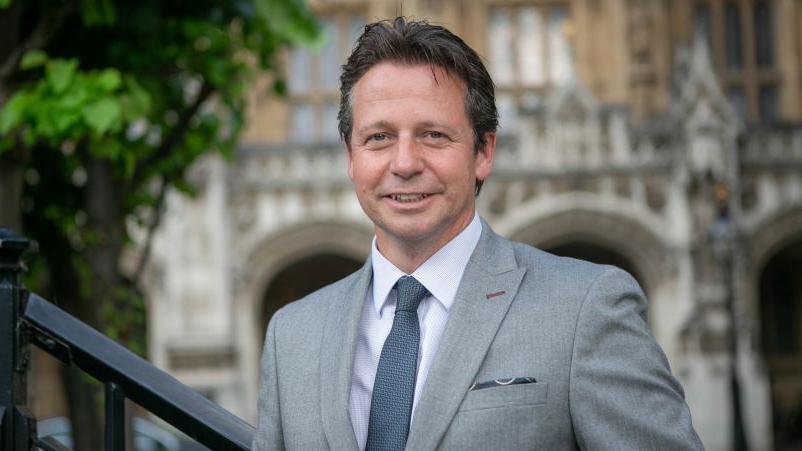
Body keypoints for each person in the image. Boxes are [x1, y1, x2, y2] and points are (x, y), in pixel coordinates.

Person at [252, 17, 703, 451]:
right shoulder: (291, 336)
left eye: (433, 135)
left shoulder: (587, 308)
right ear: (350, 158)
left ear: (483, 151)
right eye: (378, 138)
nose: (405, 163)